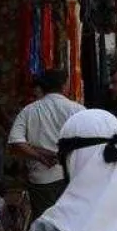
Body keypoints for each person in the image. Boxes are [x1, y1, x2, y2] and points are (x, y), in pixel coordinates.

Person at [9, 70, 86, 217]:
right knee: (71, 224)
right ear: (65, 86)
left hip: (41, 180)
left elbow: (16, 142)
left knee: (46, 225)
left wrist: (39, 156)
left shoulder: (29, 110)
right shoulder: (77, 109)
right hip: (72, 178)